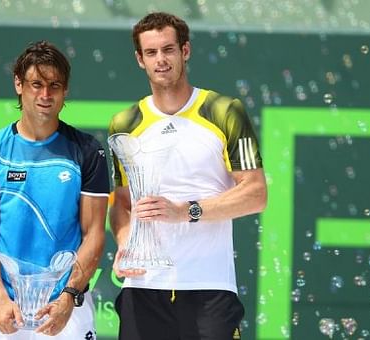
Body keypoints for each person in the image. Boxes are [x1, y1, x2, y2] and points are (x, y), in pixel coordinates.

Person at [108, 12, 267, 340]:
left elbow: (255, 193)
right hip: (143, 286)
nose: (161, 60)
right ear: (140, 59)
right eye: (151, 53)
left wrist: (184, 211)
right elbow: (122, 202)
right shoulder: (124, 123)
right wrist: (125, 242)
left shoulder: (225, 111)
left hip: (209, 287)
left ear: (186, 51)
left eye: (168, 49)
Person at [0, 40, 110, 340]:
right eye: (36, 84)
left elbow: (94, 233)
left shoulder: (87, 151)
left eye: (54, 85)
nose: (45, 95)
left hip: (65, 309)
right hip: (0, 308)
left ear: (65, 89)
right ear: (19, 84)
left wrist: (68, 297)